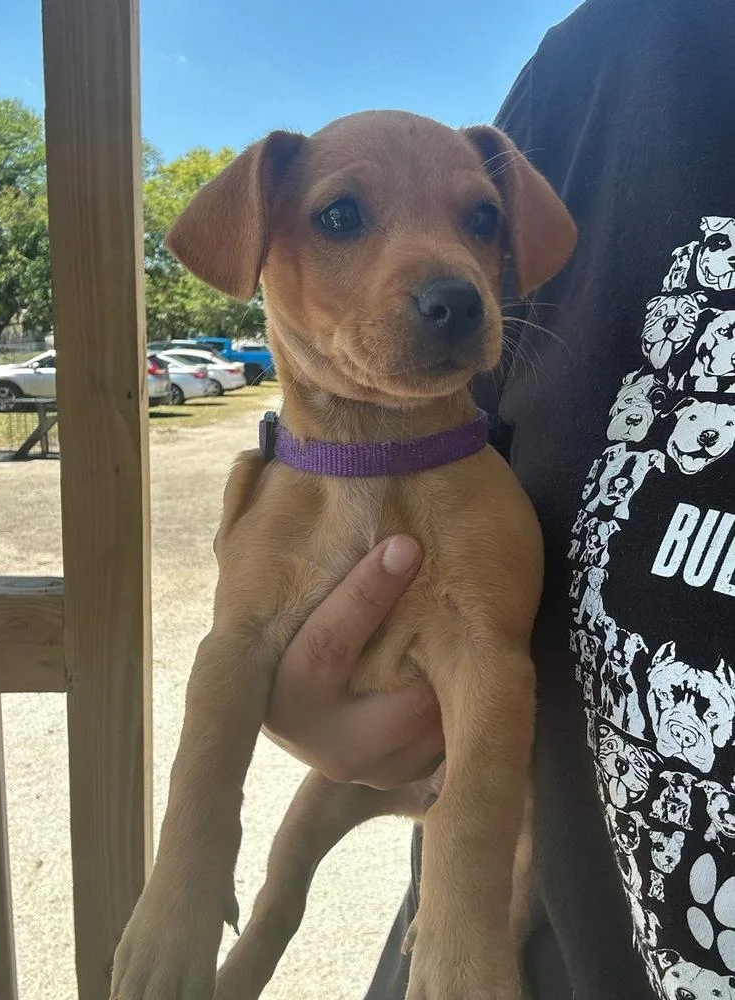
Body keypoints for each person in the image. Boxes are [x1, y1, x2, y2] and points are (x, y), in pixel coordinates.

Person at [264, 0, 735, 996]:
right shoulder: (612, 73)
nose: (459, 262)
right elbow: (402, 468)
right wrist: (315, 669)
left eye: (480, 223)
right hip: (528, 943)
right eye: (344, 219)